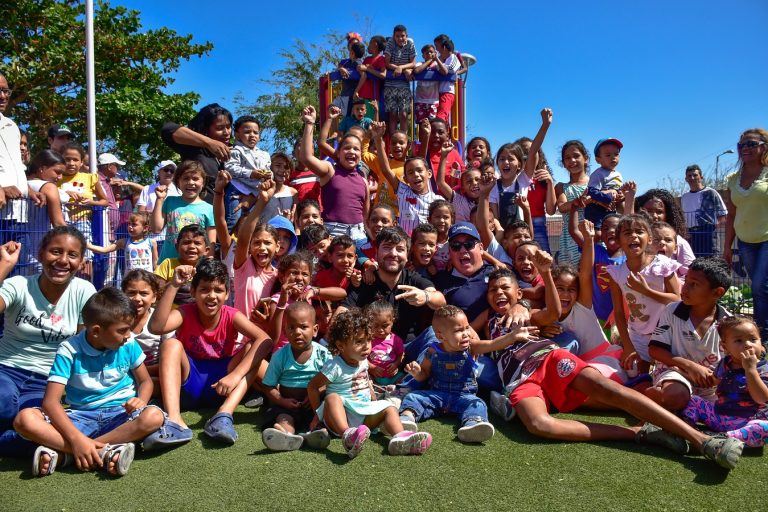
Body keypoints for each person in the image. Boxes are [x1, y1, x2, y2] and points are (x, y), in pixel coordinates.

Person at [12, 287, 165, 477]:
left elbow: (145, 382)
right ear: (96, 331)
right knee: (24, 419)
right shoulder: (69, 350)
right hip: (81, 417)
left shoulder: (129, 344)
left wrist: (141, 400)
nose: (128, 335)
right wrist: (77, 439)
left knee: (153, 417)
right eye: (123, 330)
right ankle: (103, 452)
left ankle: (67, 454)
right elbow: (50, 403)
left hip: (122, 415)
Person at [146, 259, 272, 448]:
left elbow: (265, 340)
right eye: (204, 289)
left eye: (218, 290)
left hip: (223, 385)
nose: (211, 296)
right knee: (170, 344)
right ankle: (174, 420)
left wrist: (235, 376)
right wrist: (174, 285)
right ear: (193, 292)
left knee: (250, 350)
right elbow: (156, 327)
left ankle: (224, 415)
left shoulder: (231, 315)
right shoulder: (185, 312)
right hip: (189, 384)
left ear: (227, 293)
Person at [0, 227, 97, 456]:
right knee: (3, 404)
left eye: (72, 255)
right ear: (41, 253)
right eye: (55, 251)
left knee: (41, 426)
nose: (62, 260)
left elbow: (85, 345)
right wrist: (4, 266)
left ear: (81, 262)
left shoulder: (84, 291)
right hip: (6, 370)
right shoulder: (19, 285)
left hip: (49, 381)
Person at [307, 310, 432, 458]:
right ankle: (348, 436)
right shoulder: (335, 366)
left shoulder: (363, 360)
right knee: (332, 397)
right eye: (359, 341)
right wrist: (317, 414)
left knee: (389, 407)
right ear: (340, 345)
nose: (366, 346)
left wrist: (374, 402)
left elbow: (367, 382)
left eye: (368, 340)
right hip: (341, 418)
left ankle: (401, 438)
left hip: (363, 415)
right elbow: (313, 387)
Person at [401, 305, 536, 443]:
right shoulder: (432, 351)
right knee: (414, 397)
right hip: (437, 395)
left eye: (467, 327)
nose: (466, 333)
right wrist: (417, 373)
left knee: (478, 404)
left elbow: (493, 344)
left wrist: (513, 336)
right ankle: (406, 418)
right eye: (458, 330)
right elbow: (424, 374)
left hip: (463, 396)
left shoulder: (472, 347)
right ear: (441, 336)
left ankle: (473, 424)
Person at [646, 257, 732, 411]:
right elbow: (654, 350)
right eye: (686, 281)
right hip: (676, 375)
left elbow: (736, 362)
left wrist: (717, 378)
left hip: (711, 387)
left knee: (741, 405)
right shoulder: (671, 311)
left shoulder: (729, 323)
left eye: (694, 285)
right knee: (675, 396)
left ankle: (667, 403)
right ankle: (656, 395)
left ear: (717, 292)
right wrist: (689, 366)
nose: (684, 288)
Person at [338, 227, 445, 346]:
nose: (393, 254)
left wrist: (426, 296)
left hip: (410, 347)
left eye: (400, 249)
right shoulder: (365, 280)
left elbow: (440, 300)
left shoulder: (413, 279)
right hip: (372, 349)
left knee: (432, 334)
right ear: (376, 251)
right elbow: (343, 311)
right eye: (387, 247)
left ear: (407, 254)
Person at [607, 214, 681, 376]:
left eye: (639, 231)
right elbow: (619, 314)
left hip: (667, 335)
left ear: (649, 239)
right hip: (638, 335)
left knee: (669, 377)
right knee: (635, 375)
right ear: (619, 242)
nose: (634, 235)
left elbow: (677, 299)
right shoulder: (616, 273)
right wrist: (628, 346)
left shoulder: (662, 264)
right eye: (627, 233)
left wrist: (646, 291)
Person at [681, 316, 768, 448]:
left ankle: (722, 439)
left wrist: (750, 370)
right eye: (739, 340)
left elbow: (761, 398)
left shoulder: (763, 368)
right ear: (724, 347)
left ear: (761, 344)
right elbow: (712, 381)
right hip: (720, 416)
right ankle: (686, 428)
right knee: (694, 400)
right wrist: (683, 373)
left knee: (764, 427)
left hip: (748, 422)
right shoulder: (725, 364)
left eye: (753, 339)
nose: (747, 344)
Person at [261, 301, 332, 451]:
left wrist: (318, 392)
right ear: (285, 330)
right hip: (288, 406)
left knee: (326, 410)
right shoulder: (279, 356)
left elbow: (333, 381)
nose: (297, 332)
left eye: (303, 327)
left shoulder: (323, 354)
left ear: (315, 330)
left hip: (316, 405)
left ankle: (316, 433)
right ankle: (285, 434)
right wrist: (282, 401)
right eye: (291, 327)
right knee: (284, 418)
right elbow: (268, 386)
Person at [723, 128, 768, 342]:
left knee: (760, 286)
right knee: (759, 288)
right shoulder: (733, 179)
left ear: (764, 147)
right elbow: (731, 215)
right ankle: (760, 336)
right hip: (746, 242)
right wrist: (727, 247)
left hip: (767, 238)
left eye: (751, 144)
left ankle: (763, 336)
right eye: (742, 145)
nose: (745, 148)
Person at [299, 105, 368, 243]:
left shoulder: (363, 180)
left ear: (361, 155)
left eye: (356, 149)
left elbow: (365, 214)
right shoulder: (330, 170)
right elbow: (307, 157)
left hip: (359, 233)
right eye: (347, 148)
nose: (352, 152)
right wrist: (310, 123)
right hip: (333, 232)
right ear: (338, 153)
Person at [371, 122, 439, 235]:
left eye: (419, 171)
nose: (416, 175)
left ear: (429, 174)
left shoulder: (436, 200)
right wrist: (378, 139)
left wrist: (426, 136)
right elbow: (386, 170)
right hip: (404, 243)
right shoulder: (403, 191)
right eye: (411, 173)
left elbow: (420, 162)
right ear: (406, 179)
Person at [151, 160, 215, 264]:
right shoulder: (170, 202)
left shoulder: (209, 209)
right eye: (186, 178)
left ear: (203, 183)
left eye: (195, 179)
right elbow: (155, 229)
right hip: (168, 264)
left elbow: (211, 244)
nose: (190, 182)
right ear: (178, 183)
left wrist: (207, 265)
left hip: (195, 268)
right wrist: (159, 199)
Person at [161, 103, 233, 196]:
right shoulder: (194, 148)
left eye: (228, 127)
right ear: (206, 129)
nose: (226, 132)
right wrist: (209, 142)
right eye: (219, 128)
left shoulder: (237, 151)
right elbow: (167, 129)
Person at [23, 150, 69, 274]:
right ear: (42, 168)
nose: (60, 178)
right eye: (57, 172)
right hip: (41, 255)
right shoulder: (49, 187)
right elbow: (59, 223)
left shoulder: (22, 184)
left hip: (20, 253)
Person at [223, 115, 272, 229]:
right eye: (247, 132)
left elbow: (269, 170)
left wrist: (269, 175)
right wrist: (250, 173)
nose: (252, 135)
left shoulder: (264, 154)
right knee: (233, 222)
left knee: (254, 223)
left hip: (256, 193)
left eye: (256, 132)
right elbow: (229, 167)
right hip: (237, 189)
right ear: (237, 134)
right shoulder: (235, 150)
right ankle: (227, 245)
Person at [0, 73, 32, 242]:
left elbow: (15, 166)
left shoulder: (11, 126)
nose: (3, 96)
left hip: (18, 215)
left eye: (6, 90)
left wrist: (29, 190)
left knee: (20, 268)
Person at [121, 270, 167, 385]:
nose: (137, 298)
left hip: (154, 375)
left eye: (143, 293)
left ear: (154, 297)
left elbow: (168, 363)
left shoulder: (160, 320)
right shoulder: (117, 321)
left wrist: (140, 372)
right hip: (123, 376)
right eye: (131, 293)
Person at [555, 141, 590, 265]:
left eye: (576, 156)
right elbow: (562, 207)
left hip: (592, 237)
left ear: (586, 159)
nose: (572, 160)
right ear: (564, 163)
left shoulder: (595, 184)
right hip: (569, 241)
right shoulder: (561, 187)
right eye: (567, 158)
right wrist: (577, 202)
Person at [681, 164, 727, 257]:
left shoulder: (711, 192)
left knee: (712, 262)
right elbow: (684, 217)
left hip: (708, 233)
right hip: (691, 235)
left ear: (701, 177)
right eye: (689, 176)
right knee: (694, 263)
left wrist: (713, 229)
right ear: (686, 179)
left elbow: (723, 214)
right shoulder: (684, 197)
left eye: (695, 175)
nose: (692, 178)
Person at [88, 211, 158, 273]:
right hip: (130, 280)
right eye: (129, 224)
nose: (130, 227)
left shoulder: (151, 242)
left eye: (134, 224)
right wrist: (87, 245)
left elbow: (155, 262)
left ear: (145, 228)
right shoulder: (124, 242)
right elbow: (104, 250)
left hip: (147, 280)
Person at [136, 160, 180, 255]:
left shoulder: (179, 192)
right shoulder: (147, 189)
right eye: (166, 169)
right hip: (151, 239)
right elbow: (141, 213)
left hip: (172, 239)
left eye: (172, 171)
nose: (169, 173)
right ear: (159, 171)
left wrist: (152, 213)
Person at [383, 24, 416, 134]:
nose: (400, 38)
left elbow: (413, 63)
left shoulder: (410, 44)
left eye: (402, 36)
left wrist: (401, 68)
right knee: (392, 114)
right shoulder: (390, 44)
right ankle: (394, 140)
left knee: (403, 114)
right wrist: (397, 68)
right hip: (390, 85)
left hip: (404, 85)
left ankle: (404, 141)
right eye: (397, 36)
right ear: (393, 36)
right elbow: (387, 63)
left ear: (406, 35)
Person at [584, 138, 624, 229]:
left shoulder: (618, 175)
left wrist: (622, 196)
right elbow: (591, 191)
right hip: (596, 212)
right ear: (598, 160)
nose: (613, 157)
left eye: (616, 154)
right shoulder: (598, 173)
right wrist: (608, 197)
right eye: (608, 155)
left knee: (612, 231)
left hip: (610, 211)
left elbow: (619, 190)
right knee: (597, 233)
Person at [435, 37, 461, 122]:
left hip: (447, 92)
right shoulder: (441, 58)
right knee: (441, 116)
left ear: (444, 48)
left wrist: (439, 65)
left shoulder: (454, 58)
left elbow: (451, 69)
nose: (438, 51)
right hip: (437, 92)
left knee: (441, 116)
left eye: (439, 48)